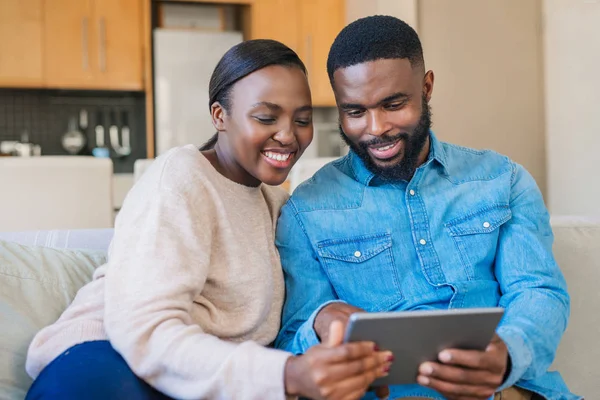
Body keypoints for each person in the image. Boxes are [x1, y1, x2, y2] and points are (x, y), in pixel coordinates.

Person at [25, 39, 392, 400]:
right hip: (108, 360)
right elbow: (145, 331)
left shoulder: (278, 205)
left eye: (303, 120)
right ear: (220, 116)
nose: (287, 135)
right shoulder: (180, 177)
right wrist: (287, 374)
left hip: (202, 378)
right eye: (266, 117)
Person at [274, 16, 580, 400]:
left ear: (427, 87)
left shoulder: (502, 180)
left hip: (504, 391)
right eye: (355, 112)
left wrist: (505, 355)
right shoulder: (306, 211)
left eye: (393, 104)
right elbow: (291, 339)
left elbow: (538, 290)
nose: (376, 128)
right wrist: (320, 322)